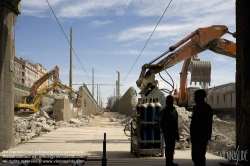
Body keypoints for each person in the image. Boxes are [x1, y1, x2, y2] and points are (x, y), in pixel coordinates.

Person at [190, 89, 213, 166]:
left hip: (199, 136)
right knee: (198, 156)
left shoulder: (202, 108)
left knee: (198, 156)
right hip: (199, 136)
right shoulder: (202, 107)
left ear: (200, 97)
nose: (194, 98)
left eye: (195, 97)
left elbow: (207, 123)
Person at [160, 95, 179, 166]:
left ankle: (170, 161)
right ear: (166, 101)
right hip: (168, 132)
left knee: (172, 147)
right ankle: (168, 162)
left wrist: (177, 132)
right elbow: (161, 122)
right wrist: (164, 131)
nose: (171, 101)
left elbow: (176, 121)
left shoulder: (174, 111)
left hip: (173, 132)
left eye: (172, 100)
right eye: (169, 100)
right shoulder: (164, 111)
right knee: (168, 147)